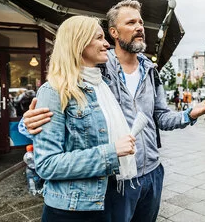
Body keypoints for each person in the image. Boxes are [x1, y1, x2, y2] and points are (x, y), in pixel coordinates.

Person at [20, 0, 205, 222]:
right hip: (117, 178)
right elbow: (65, 95)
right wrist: (29, 121)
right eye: (131, 22)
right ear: (114, 32)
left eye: (141, 22)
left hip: (152, 172)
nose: (139, 27)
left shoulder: (150, 71)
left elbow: (160, 117)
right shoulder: (98, 70)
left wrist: (189, 114)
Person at [27, 15, 137, 221]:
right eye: (99, 37)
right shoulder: (54, 91)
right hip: (73, 209)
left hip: (108, 195)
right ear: (78, 43)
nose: (106, 44)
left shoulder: (101, 86)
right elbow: (47, 164)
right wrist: (111, 152)